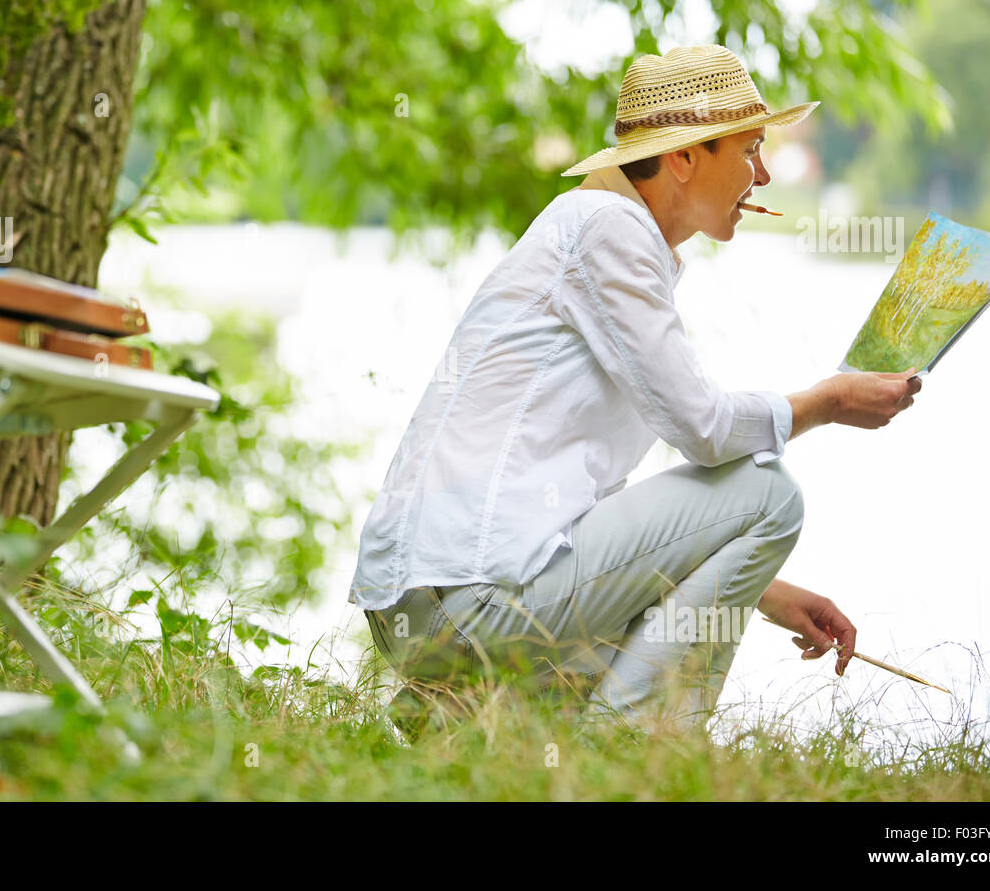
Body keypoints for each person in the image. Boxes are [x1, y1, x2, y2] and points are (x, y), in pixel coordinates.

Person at [349, 45, 922, 737]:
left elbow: (579, 497)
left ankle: (457, 715)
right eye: (749, 150)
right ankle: (629, 751)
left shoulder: (597, 233)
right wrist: (828, 402)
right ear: (684, 157)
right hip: (471, 597)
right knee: (768, 494)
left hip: (434, 604)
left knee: (636, 648)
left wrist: (762, 593)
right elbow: (705, 429)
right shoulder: (608, 229)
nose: (763, 175)